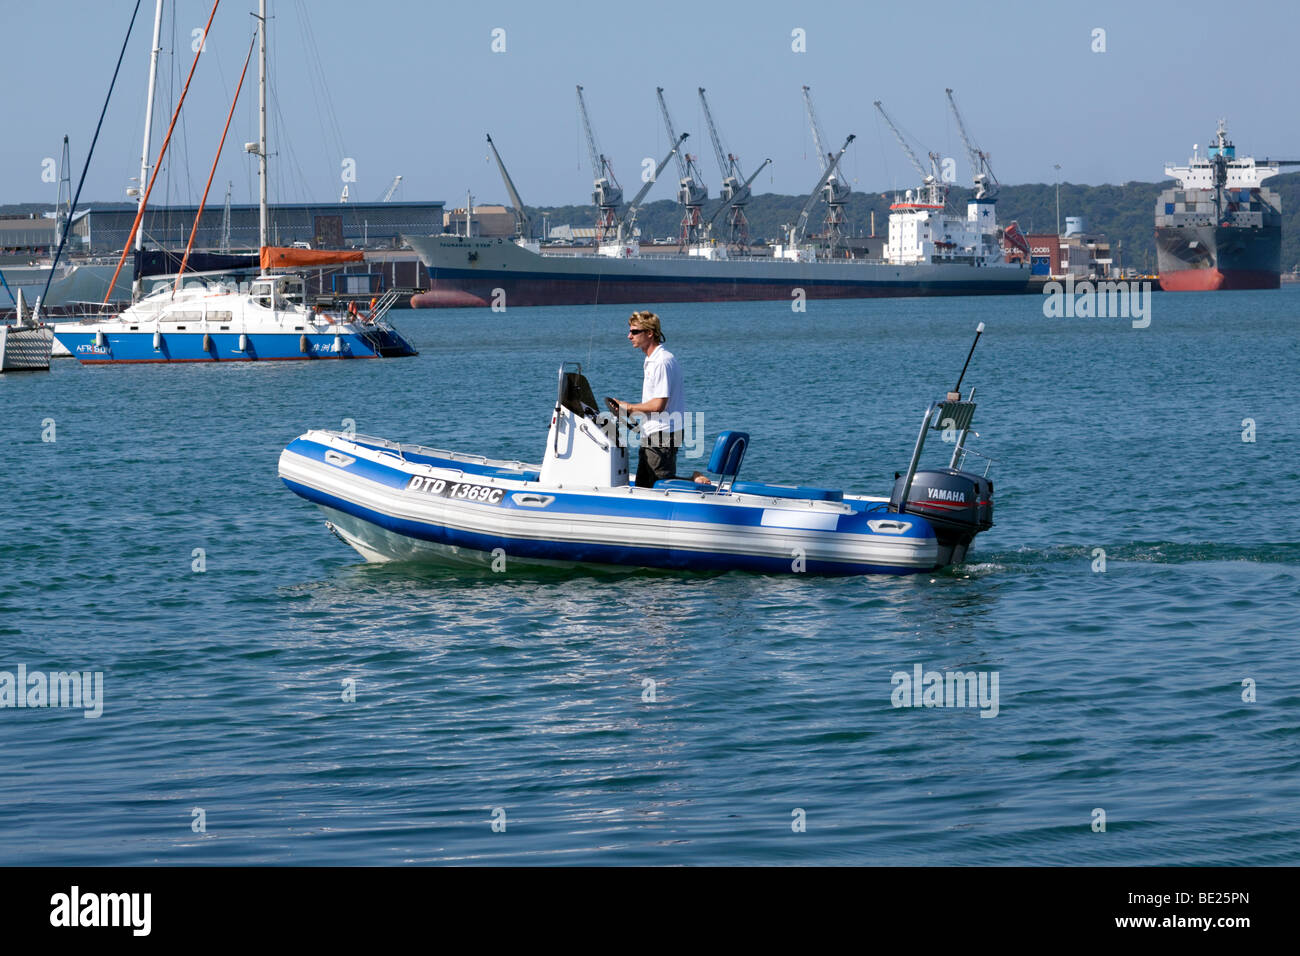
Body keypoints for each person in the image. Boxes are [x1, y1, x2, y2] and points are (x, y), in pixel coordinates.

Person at [614, 310, 688, 488]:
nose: (629, 336)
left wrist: (629, 408)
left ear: (649, 333)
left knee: (658, 486)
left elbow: (659, 404)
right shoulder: (653, 360)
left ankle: (695, 479)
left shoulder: (660, 362)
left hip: (662, 433)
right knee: (643, 485)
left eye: (634, 331)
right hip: (655, 431)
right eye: (630, 331)